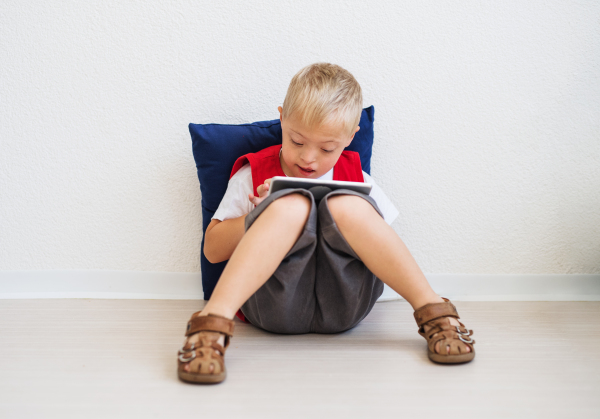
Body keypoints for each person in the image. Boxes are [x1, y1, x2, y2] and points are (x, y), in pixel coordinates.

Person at [177, 63, 476, 384]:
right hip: (272, 304)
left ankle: (434, 312)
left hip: (344, 302)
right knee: (288, 204)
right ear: (281, 119)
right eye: (297, 141)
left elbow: (383, 248)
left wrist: (348, 211)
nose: (308, 158)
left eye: (327, 148)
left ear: (350, 138)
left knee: (347, 203)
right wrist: (256, 216)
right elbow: (212, 251)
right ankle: (212, 324)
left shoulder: (358, 178)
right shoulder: (252, 174)